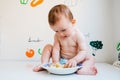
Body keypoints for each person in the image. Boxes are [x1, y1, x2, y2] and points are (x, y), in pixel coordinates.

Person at [33, 4, 97, 75]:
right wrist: (56, 62)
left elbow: (83, 50)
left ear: (73, 22)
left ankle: (84, 69)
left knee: (90, 58)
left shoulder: (78, 35)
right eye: (56, 31)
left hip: (76, 60)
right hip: (61, 60)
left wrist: (75, 60)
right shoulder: (57, 36)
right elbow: (56, 49)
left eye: (63, 30)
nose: (60, 34)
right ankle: (44, 64)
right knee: (48, 47)